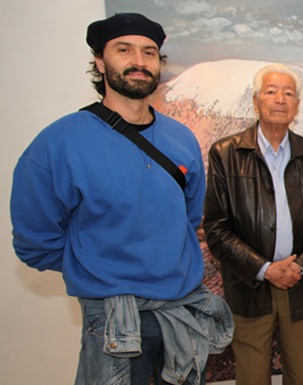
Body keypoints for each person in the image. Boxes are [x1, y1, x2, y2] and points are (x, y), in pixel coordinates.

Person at [10, 13, 233, 385]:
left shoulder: (181, 138)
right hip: (114, 321)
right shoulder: (59, 143)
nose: (139, 61)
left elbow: (188, 218)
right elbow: (36, 242)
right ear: (100, 61)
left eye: (149, 52)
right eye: (124, 50)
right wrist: (100, 270)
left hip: (181, 314)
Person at [203, 63, 303, 385]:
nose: (280, 99)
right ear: (256, 101)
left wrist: (299, 266)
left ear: (297, 105)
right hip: (249, 285)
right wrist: (264, 269)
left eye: (288, 93)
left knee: (302, 376)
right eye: (271, 91)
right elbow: (217, 229)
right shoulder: (226, 153)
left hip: (301, 285)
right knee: (251, 377)